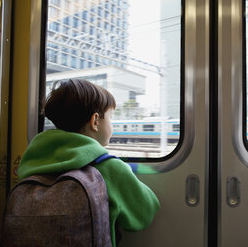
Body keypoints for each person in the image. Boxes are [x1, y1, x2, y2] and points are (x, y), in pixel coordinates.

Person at [18, 79, 160, 247]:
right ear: (95, 121)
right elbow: (145, 213)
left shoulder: (32, 162)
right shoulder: (108, 166)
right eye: (110, 117)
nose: (112, 124)